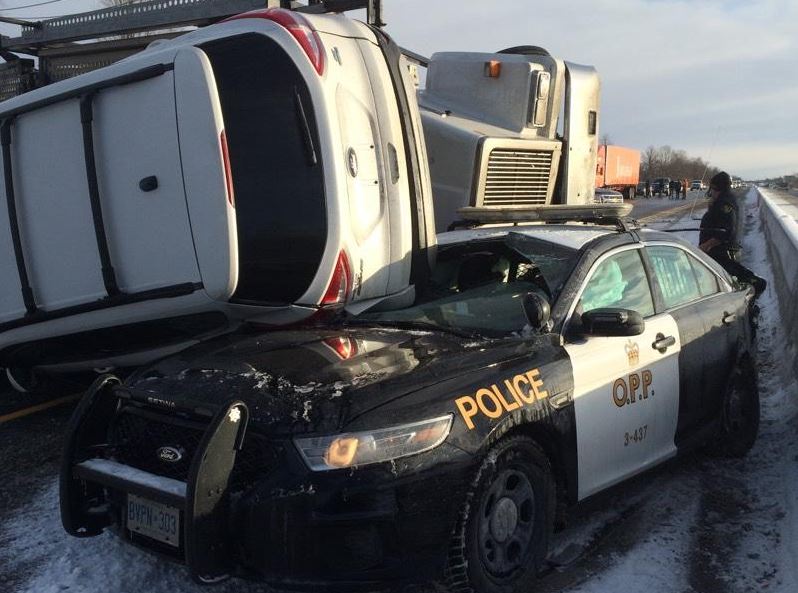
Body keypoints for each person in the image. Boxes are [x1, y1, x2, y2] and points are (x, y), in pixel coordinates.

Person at [699, 171, 766, 296]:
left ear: (717, 187)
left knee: (731, 283)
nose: (710, 192)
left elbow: (726, 231)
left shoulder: (725, 204)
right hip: (719, 251)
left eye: (712, 188)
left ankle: (752, 295)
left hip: (721, 253)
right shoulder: (723, 201)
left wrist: (706, 245)